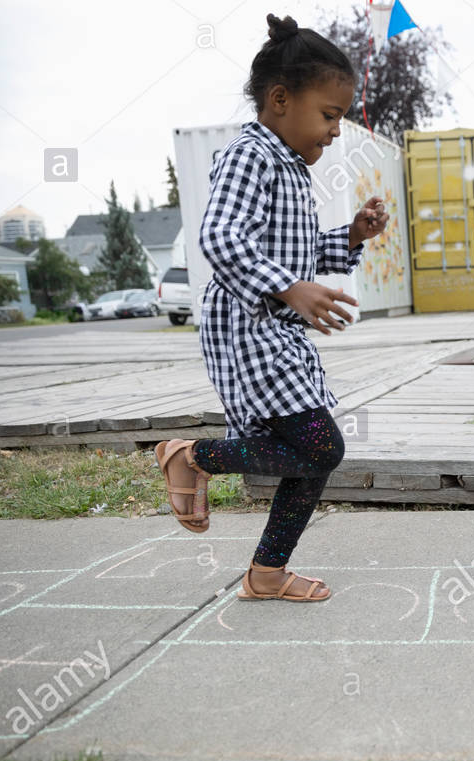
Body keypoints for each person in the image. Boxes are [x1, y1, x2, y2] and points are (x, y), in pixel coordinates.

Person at [156, 12, 389, 603]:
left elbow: (301, 251)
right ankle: (192, 456)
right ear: (281, 100)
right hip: (247, 327)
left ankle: (266, 573)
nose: (336, 130)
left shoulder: (290, 170)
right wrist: (290, 288)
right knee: (322, 446)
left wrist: (352, 236)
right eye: (329, 115)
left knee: (314, 454)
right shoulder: (250, 156)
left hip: (276, 330)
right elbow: (220, 239)